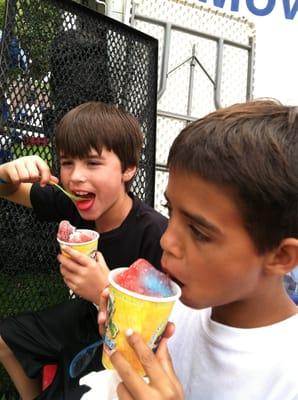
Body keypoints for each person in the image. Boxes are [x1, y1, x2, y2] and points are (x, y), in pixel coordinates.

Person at [96, 99, 298, 400]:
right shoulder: (173, 315)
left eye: (199, 232)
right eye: (170, 209)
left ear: (280, 257)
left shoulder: (287, 376)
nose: (166, 240)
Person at [0, 101, 167, 399]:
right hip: (83, 315)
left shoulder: (154, 234)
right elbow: (6, 189)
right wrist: (7, 173)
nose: (75, 176)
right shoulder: (71, 202)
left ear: (128, 169)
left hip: (121, 339)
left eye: (92, 163)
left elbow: (157, 332)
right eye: (67, 162)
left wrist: (104, 291)